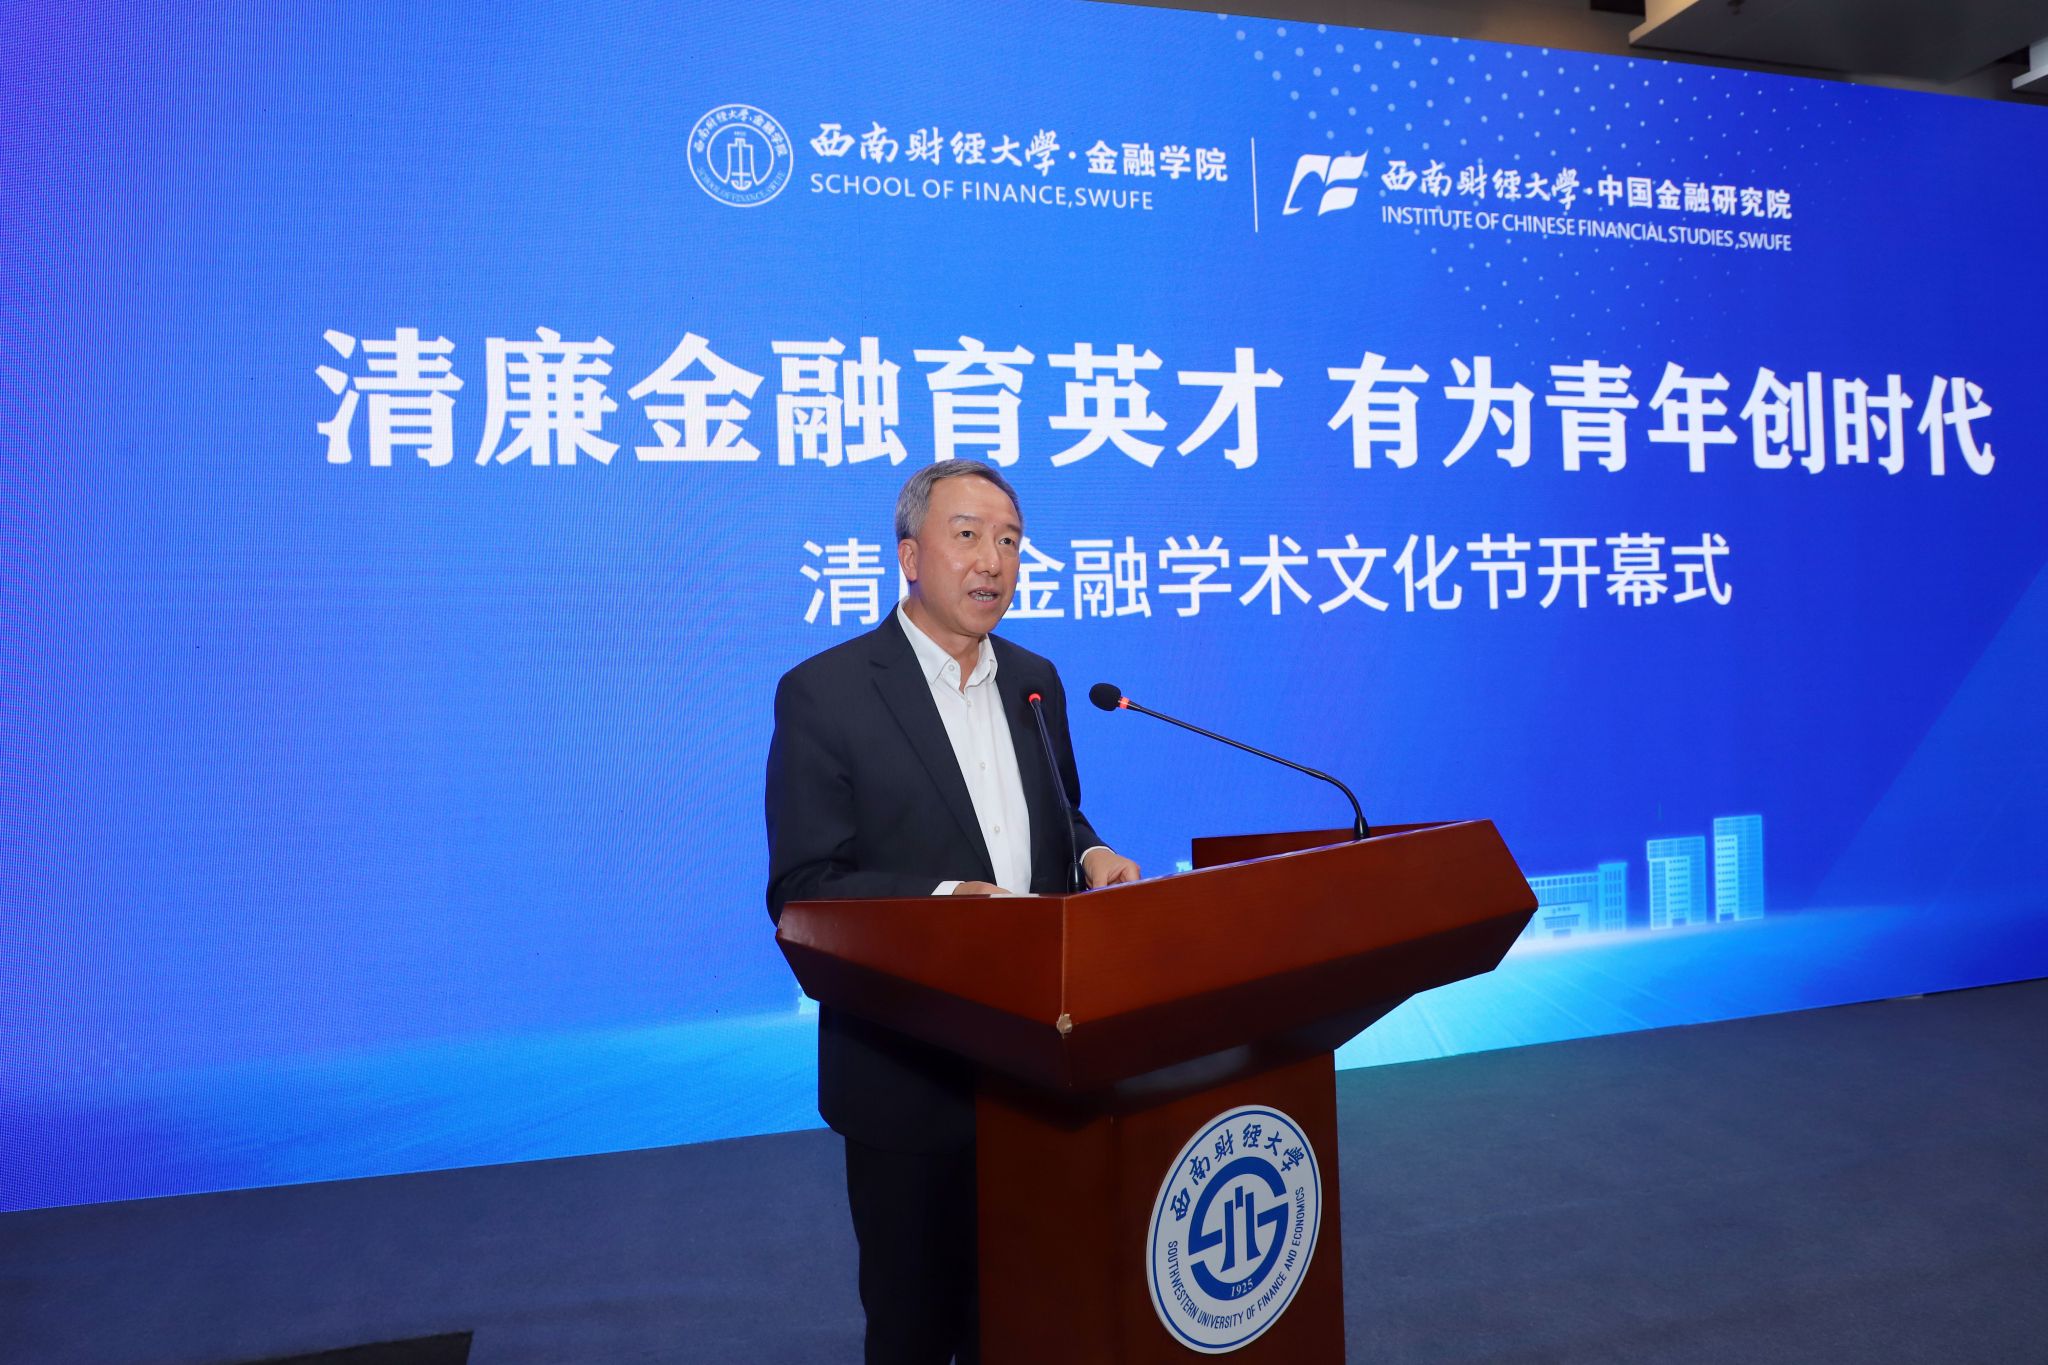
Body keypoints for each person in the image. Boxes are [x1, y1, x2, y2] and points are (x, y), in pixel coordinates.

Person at [765, 459, 1140, 1365]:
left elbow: (1055, 814)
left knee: (1035, 1319)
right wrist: (947, 903)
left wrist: (1089, 853)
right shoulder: (827, 692)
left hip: (1042, 1069)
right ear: (909, 556)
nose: (993, 561)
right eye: (967, 535)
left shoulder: (1036, 681)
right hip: (908, 1075)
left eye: (1009, 541)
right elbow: (804, 889)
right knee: (916, 1330)